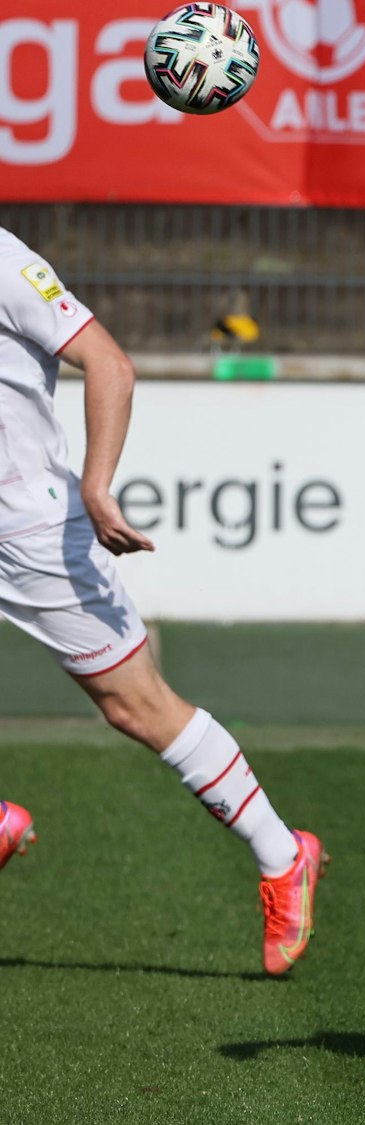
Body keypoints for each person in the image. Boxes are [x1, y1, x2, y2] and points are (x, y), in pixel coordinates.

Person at [0, 227, 323, 975]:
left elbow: (109, 363)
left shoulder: (8, 261)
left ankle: (283, 856)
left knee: (135, 706)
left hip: (30, 528)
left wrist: (96, 482)